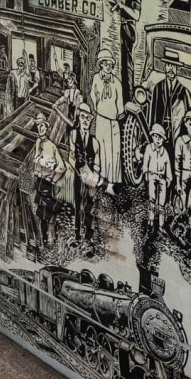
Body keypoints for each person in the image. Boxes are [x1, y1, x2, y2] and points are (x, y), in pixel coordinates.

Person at [29, 113, 66, 256]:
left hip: (48, 183)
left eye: (42, 125)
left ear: (47, 127)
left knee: (50, 214)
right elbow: (36, 160)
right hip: (40, 182)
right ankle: (42, 243)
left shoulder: (52, 146)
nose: (40, 128)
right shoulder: (38, 142)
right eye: (38, 125)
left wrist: (52, 174)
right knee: (41, 213)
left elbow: (61, 167)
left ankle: (51, 242)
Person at [89, 49, 124, 194]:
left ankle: (114, 180)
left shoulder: (117, 82)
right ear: (101, 64)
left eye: (110, 63)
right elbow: (93, 93)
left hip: (113, 121)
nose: (108, 66)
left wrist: (118, 113)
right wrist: (98, 107)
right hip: (101, 118)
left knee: (114, 150)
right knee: (101, 147)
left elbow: (120, 100)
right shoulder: (97, 78)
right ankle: (102, 178)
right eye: (106, 63)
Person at [70, 102, 102, 250]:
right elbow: (71, 156)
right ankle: (77, 236)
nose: (85, 120)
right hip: (78, 175)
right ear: (79, 117)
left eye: (88, 118)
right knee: (78, 205)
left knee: (88, 207)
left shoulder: (95, 142)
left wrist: (93, 182)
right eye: (82, 117)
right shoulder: (74, 134)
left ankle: (88, 239)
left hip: (89, 179)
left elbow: (97, 166)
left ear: (90, 121)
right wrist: (77, 171)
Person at [149, 60, 188, 161]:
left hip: (176, 134)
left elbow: (187, 118)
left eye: (174, 66)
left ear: (178, 69)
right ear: (164, 66)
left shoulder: (184, 91)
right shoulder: (157, 87)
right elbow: (152, 112)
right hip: (160, 132)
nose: (171, 68)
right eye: (168, 65)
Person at [114, 0, 141, 105]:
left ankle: (129, 99)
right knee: (123, 68)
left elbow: (136, 15)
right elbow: (115, 4)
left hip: (128, 31)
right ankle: (125, 98)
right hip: (122, 31)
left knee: (127, 68)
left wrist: (122, 6)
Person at [142, 123, 172, 231]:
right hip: (152, 176)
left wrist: (168, 178)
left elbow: (167, 165)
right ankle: (150, 221)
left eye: (160, 137)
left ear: (163, 139)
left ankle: (161, 225)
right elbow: (145, 161)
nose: (158, 139)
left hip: (162, 178)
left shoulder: (165, 152)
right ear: (153, 137)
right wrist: (145, 172)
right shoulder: (149, 148)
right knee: (152, 199)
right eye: (156, 136)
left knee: (162, 203)